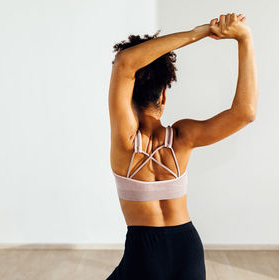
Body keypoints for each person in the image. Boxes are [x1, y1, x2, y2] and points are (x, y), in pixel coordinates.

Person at [107, 12, 258, 280]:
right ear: (164, 95)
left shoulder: (126, 143)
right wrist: (244, 39)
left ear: (128, 96)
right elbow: (245, 112)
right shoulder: (182, 137)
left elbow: (125, 63)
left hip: (143, 253)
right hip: (187, 250)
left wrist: (198, 32)